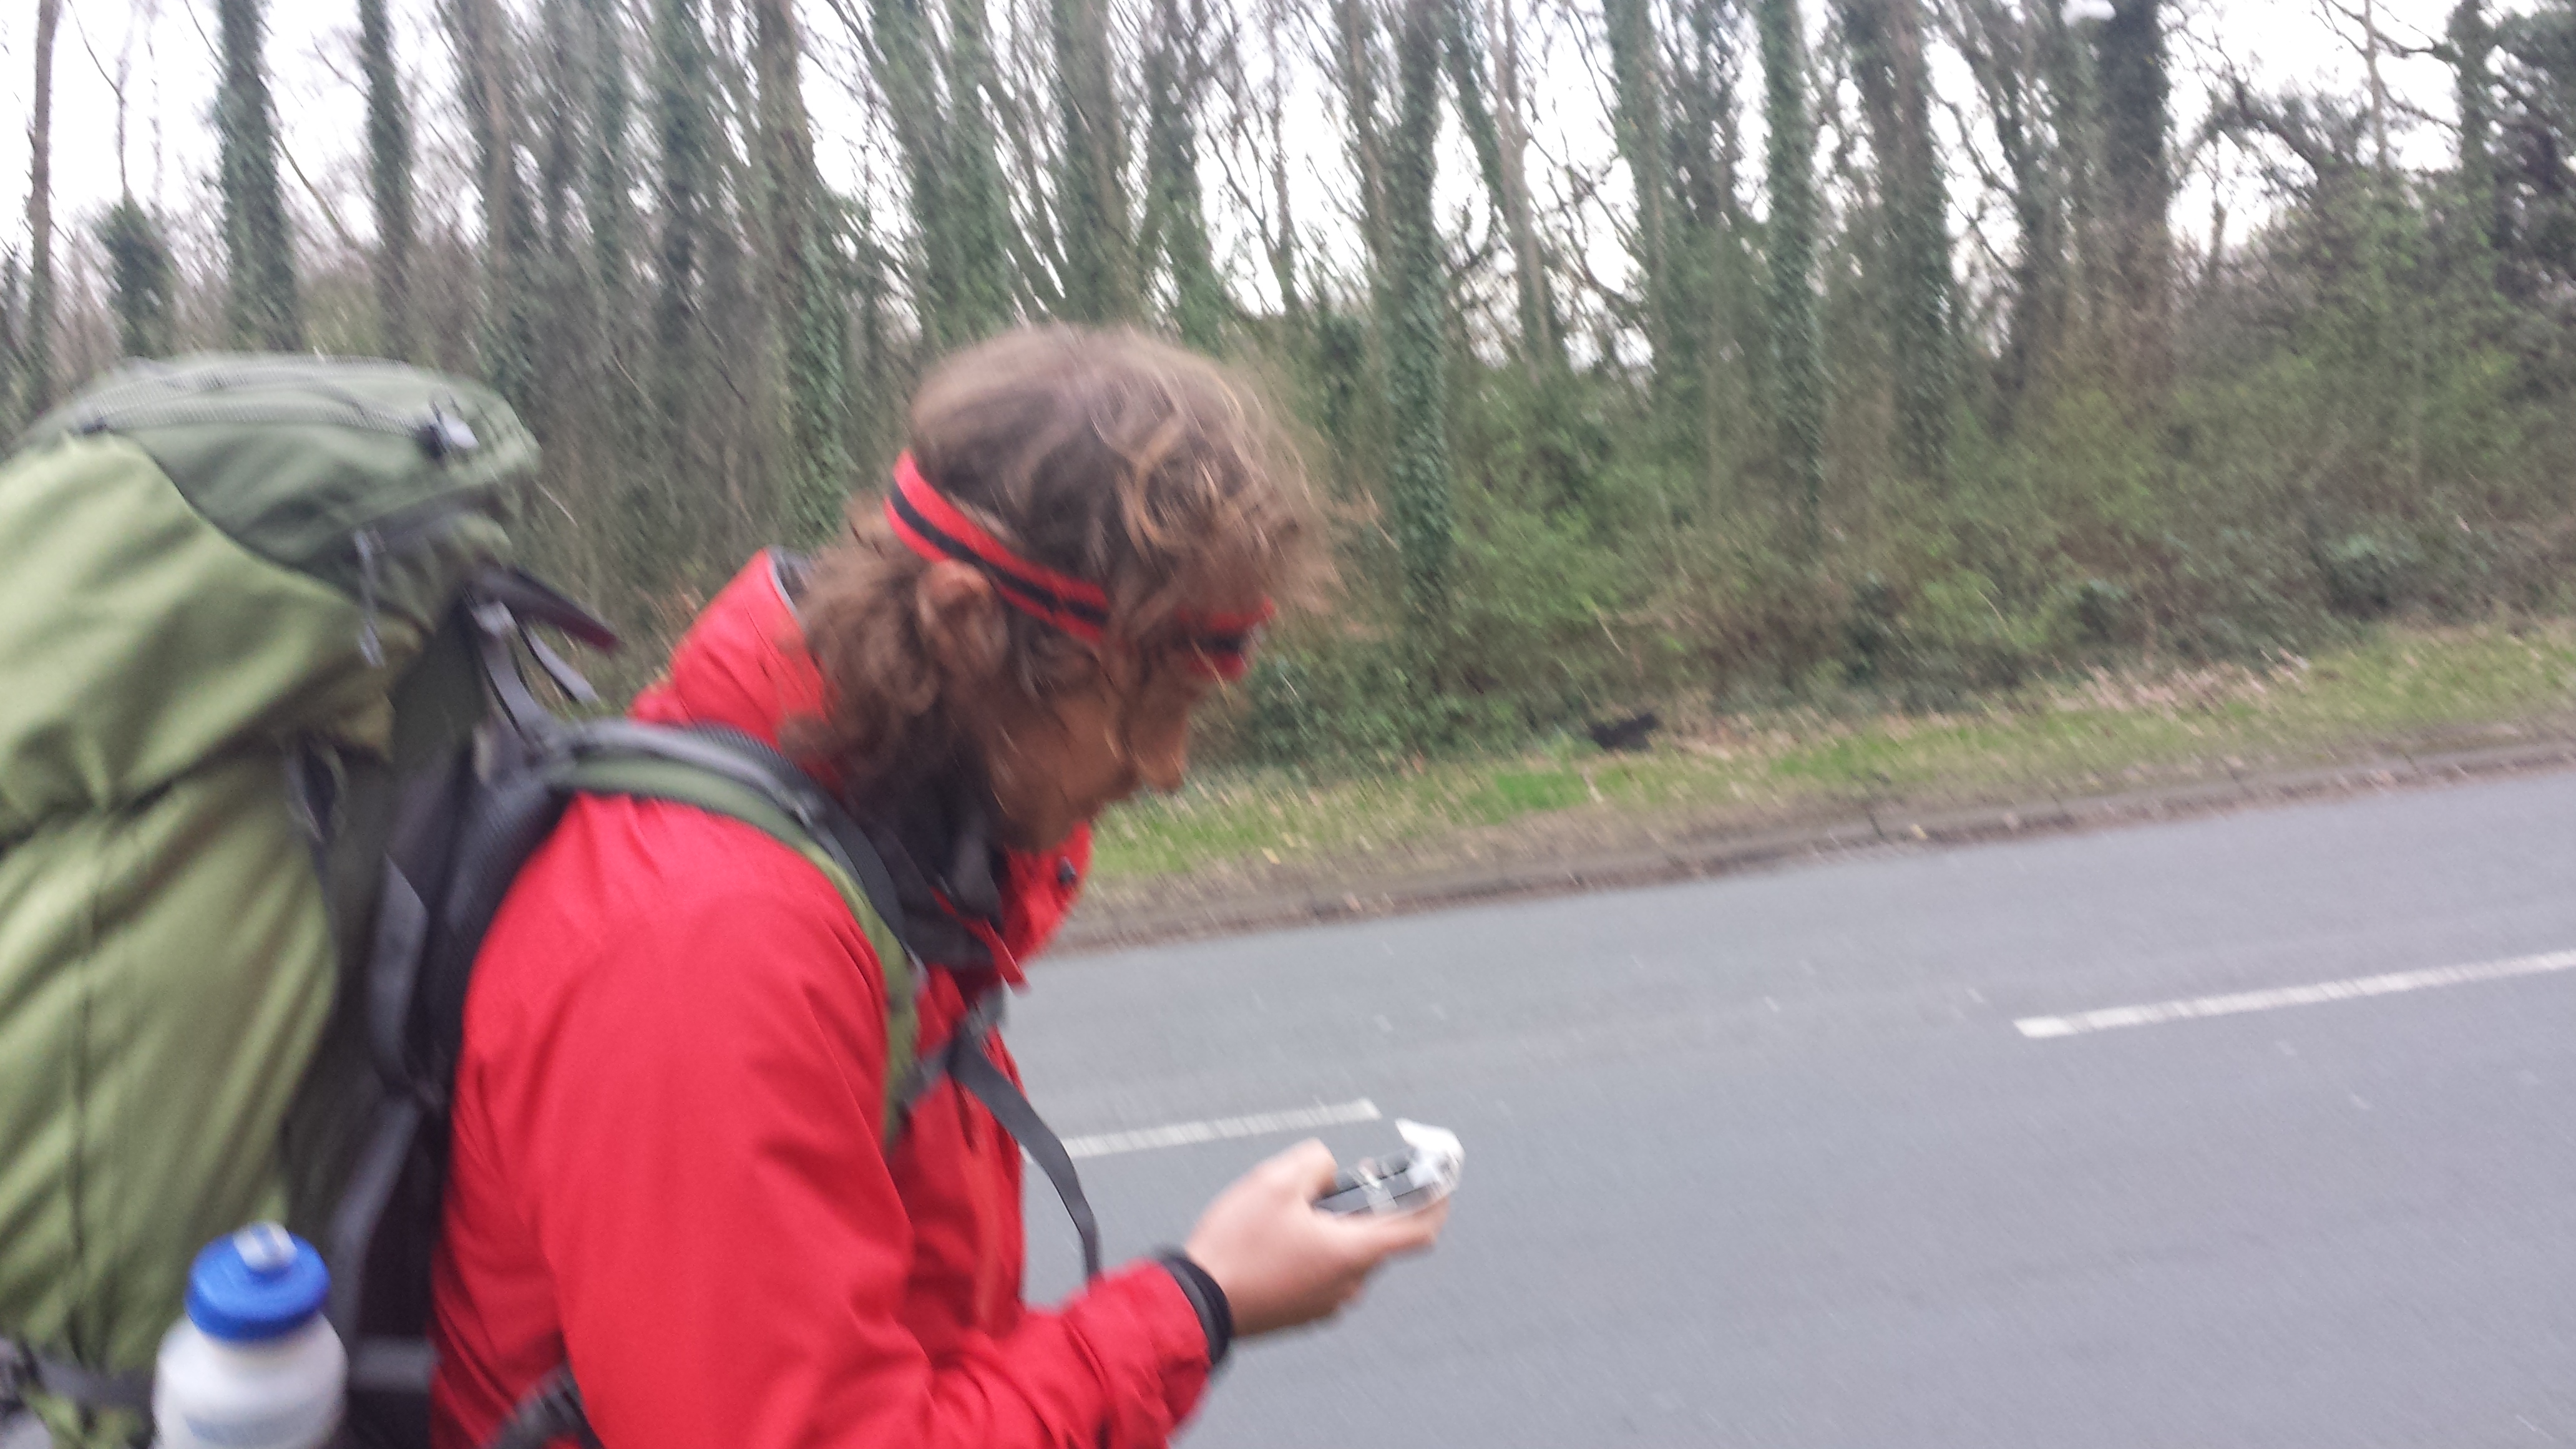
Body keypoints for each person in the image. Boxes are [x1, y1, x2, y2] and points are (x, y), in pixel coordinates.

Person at [427, 325, 1448, 1449]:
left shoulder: (901, 870)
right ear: (966, 624)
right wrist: (1197, 1304)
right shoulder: (712, 946)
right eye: (1151, 702)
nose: (1167, 765)